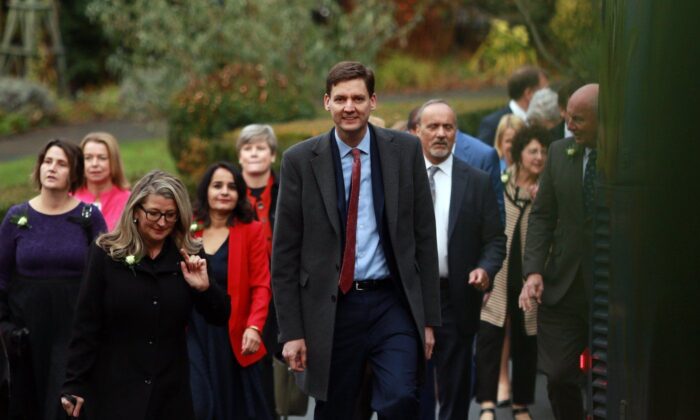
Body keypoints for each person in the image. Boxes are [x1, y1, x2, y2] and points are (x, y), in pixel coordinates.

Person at [271, 61, 440, 420]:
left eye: (358, 98)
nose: (350, 107)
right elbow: (284, 254)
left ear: (373, 102)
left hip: (391, 303)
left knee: (399, 399)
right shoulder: (300, 161)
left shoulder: (406, 151)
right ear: (327, 103)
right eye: (341, 98)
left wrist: (428, 320)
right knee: (338, 411)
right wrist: (291, 332)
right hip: (332, 309)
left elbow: (424, 238)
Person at [60, 170, 231, 420]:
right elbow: (86, 323)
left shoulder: (188, 253)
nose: (162, 222)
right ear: (136, 211)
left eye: (170, 215)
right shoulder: (106, 254)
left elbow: (220, 316)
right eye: (154, 213)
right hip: (114, 389)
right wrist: (74, 382)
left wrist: (205, 288)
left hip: (169, 391)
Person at [0, 139, 107, 420]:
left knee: (66, 405)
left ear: (74, 172)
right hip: (26, 333)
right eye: (48, 161)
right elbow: (1, 277)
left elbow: (103, 277)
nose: (52, 168)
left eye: (61, 163)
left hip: (73, 328)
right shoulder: (16, 217)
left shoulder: (89, 216)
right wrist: (6, 327)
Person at [415, 99, 506, 420]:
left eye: (448, 127)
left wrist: (486, 269)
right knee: (413, 386)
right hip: (409, 298)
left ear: (456, 133)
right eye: (433, 127)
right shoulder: (400, 180)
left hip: (456, 297)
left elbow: (496, 239)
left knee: (455, 389)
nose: (441, 133)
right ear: (417, 132)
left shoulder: (477, 181)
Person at [520, 84, 600, 419]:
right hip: (563, 285)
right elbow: (542, 217)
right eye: (568, 118)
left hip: (610, 288)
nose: (570, 126)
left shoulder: (628, 155)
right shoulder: (558, 152)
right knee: (558, 375)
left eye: (579, 120)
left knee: (608, 377)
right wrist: (534, 271)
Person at [476, 124, 553, 420]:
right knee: (488, 341)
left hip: (528, 279)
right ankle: (486, 404)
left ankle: (521, 405)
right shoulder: (500, 184)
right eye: (533, 150)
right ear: (518, 153)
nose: (539, 157)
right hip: (498, 276)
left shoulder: (547, 191)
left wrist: (540, 201)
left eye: (544, 152)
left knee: (525, 342)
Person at [188, 162, 273, 420]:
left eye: (232, 187)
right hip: (193, 331)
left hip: (234, 331)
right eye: (217, 186)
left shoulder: (252, 230)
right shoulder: (190, 229)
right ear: (206, 191)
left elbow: (261, 284)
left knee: (233, 408)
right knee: (199, 403)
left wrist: (254, 327)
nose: (224, 192)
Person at [236, 124, 282, 417]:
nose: (254, 153)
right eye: (248, 148)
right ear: (239, 156)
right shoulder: (227, 191)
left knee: (273, 362)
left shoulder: (286, 189)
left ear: (272, 155)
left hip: (279, 289)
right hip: (242, 289)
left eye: (260, 147)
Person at [73, 132, 131, 231]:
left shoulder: (128, 200)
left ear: (114, 161)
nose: (94, 164)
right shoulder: (69, 198)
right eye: (88, 158)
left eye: (102, 158)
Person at [478, 66, 549, 146]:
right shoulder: (493, 124)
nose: (550, 95)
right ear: (529, 93)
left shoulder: (546, 121)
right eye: (545, 90)